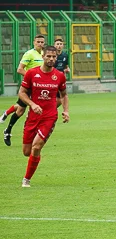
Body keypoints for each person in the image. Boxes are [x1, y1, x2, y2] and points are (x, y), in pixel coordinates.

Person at [18, 45, 69, 187]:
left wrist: (66, 111)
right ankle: (35, 158)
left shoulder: (59, 76)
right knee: (27, 152)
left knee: (36, 146)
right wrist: (32, 104)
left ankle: (26, 179)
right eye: (49, 56)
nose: (51, 59)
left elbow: (64, 95)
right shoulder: (31, 73)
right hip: (33, 117)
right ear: (43, 56)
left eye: (54, 57)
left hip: (49, 117)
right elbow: (21, 93)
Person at [2, 34, 45, 146]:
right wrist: (32, 77)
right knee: (20, 111)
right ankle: (7, 131)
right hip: (29, 87)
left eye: (42, 42)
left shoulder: (44, 54)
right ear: (33, 42)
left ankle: (34, 134)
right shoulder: (29, 54)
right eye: (38, 42)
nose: (40, 44)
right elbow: (20, 69)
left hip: (39, 88)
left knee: (37, 110)